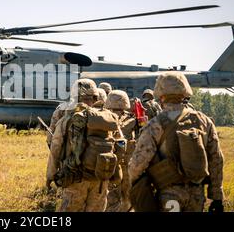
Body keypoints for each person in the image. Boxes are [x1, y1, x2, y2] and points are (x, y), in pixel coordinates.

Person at [128, 72, 224, 212]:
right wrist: (217, 196)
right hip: (197, 194)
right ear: (184, 93)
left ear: (161, 95)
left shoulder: (156, 124)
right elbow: (216, 159)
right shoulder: (203, 120)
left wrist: (136, 185)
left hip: (170, 195)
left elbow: (138, 163)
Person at [46, 79, 120, 212]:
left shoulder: (68, 119)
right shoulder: (108, 118)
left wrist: (50, 175)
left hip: (76, 178)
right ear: (95, 97)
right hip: (100, 178)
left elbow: (55, 149)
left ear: (75, 96)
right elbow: (119, 145)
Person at [104, 90, 137, 212]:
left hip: (112, 165)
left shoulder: (103, 117)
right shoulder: (133, 120)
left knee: (112, 198)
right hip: (126, 165)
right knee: (126, 198)